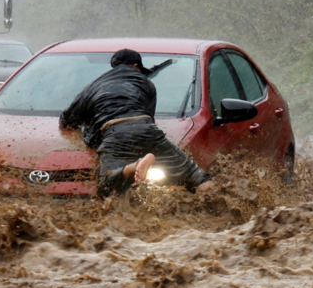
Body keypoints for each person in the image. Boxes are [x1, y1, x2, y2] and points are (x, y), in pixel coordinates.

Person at [60, 48, 214, 197]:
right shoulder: (147, 84)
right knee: (195, 175)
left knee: (105, 186)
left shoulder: (93, 86)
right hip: (146, 128)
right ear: (136, 66)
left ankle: (134, 166)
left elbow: (67, 120)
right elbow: (148, 117)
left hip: (115, 133)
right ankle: (216, 203)